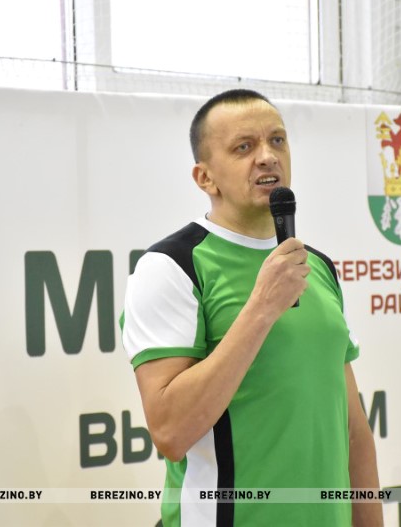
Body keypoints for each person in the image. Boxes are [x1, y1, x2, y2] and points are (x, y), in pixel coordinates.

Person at [121, 89, 383, 526]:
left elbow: (354, 431)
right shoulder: (171, 266)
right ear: (205, 178)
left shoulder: (315, 266)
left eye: (277, 140)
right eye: (244, 147)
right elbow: (170, 431)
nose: (267, 157)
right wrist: (262, 307)